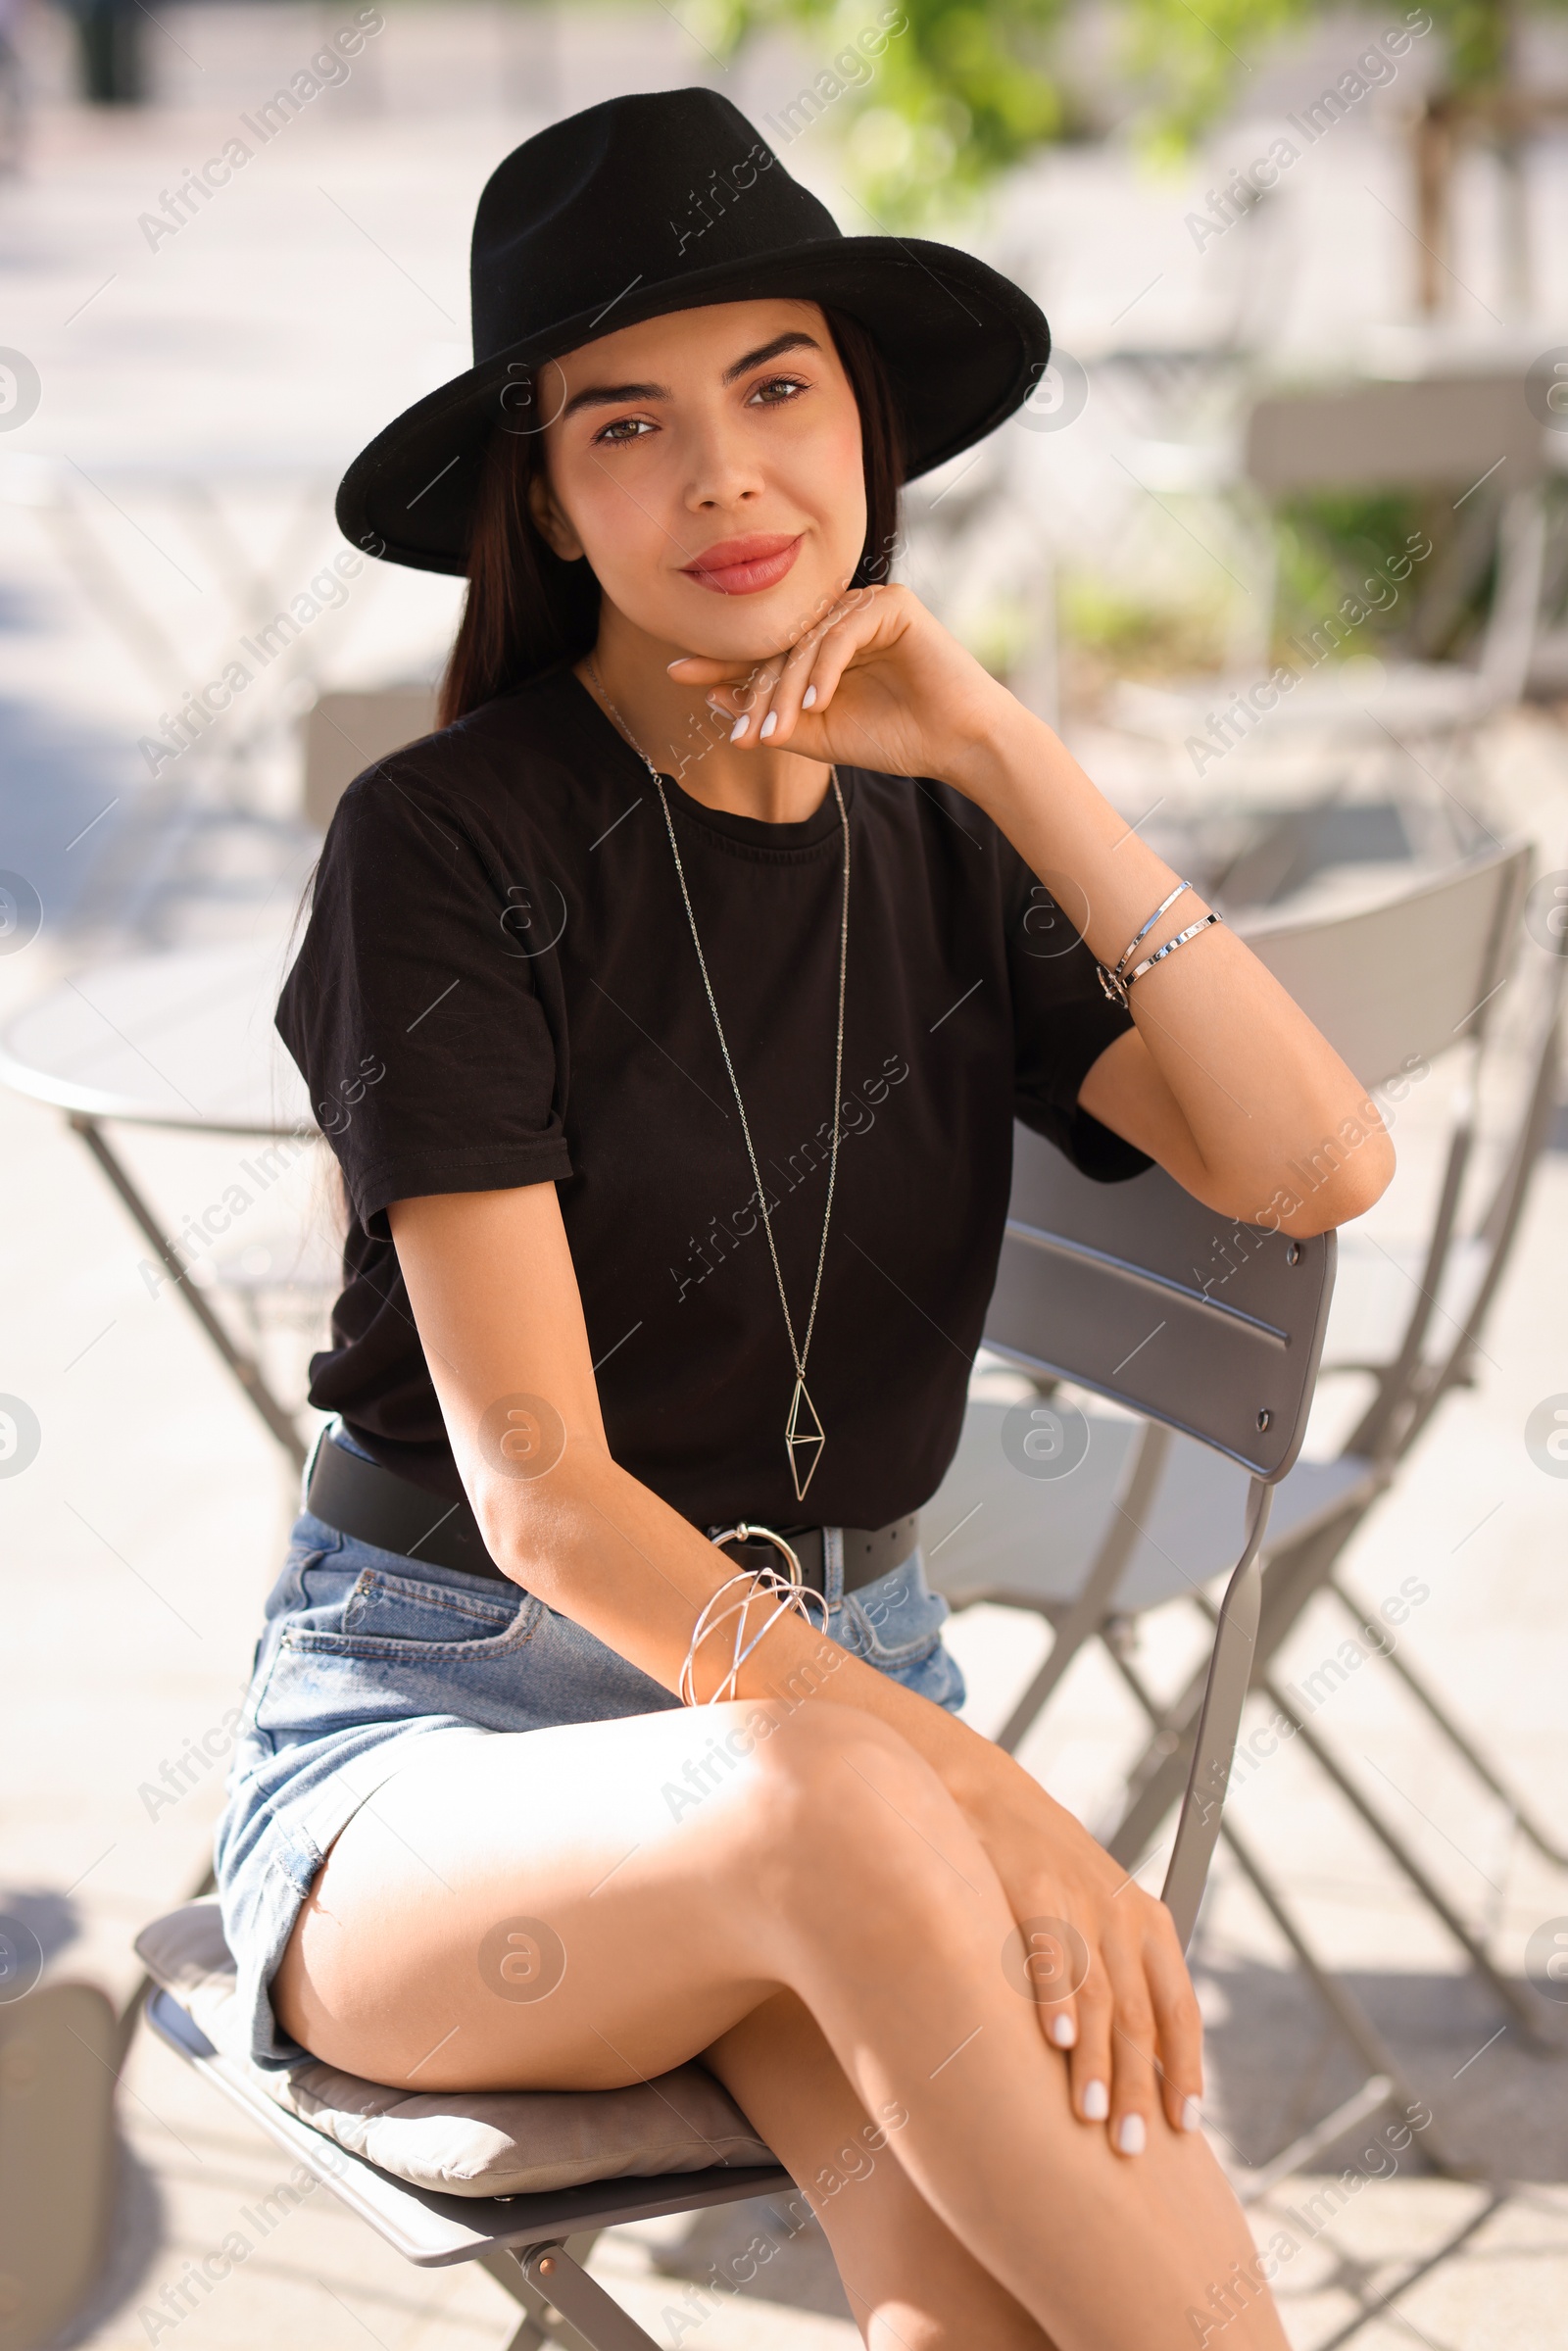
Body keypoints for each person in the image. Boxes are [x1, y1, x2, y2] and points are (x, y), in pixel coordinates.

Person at [215, 88, 1391, 2347]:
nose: (724, 476)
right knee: (830, 1808)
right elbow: (545, 1501)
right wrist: (1011, 1815)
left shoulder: (940, 823)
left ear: (864, 417)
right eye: (626, 426)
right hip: (446, 1746)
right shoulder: (441, 846)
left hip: (831, 1725)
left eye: (776, 389)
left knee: (984, 2306)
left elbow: (1309, 1165)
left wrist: (1008, 749)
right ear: (548, 502)